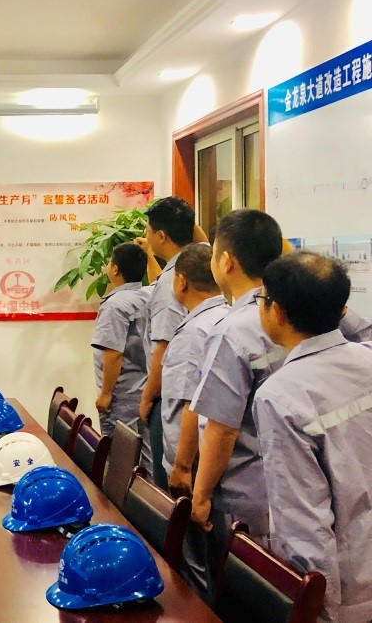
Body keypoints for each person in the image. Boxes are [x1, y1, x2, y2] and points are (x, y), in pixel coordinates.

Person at [256, 251, 372, 623]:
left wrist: (317, 611)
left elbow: (303, 526)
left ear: (277, 312)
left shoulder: (281, 396)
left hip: (348, 592)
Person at [189, 209, 285, 574]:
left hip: (242, 494)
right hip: (287, 487)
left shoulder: (231, 330)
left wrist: (200, 496)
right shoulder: (294, 313)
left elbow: (222, 426)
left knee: (238, 588)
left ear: (226, 261)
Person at [161, 243, 229, 602]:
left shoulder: (194, 332)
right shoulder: (228, 318)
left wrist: (182, 467)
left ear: (181, 281)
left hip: (195, 469)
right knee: (217, 560)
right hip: (219, 468)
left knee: (195, 565)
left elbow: (191, 404)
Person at [135, 197, 197, 489]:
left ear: (161, 235)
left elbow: (163, 345)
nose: (146, 236)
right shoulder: (200, 265)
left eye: (148, 230)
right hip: (192, 395)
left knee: (167, 488)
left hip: (169, 397)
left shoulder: (174, 280)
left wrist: (147, 397)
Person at [90, 242, 151, 438]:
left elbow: (113, 353)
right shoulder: (150, 295)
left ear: (115, 269)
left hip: (121, 395)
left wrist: (106, 393)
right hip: (144, 390)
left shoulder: (114, 305)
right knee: (143, 449)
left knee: (120, 450)